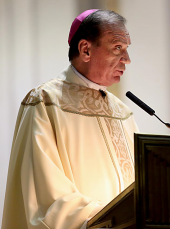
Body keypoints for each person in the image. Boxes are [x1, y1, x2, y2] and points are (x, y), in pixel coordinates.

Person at [1, 9, 138, 229]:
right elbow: (44, 193)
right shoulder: (45, 103)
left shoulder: (122, 113)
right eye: (117, 48)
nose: (127, 60)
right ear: (85, 49)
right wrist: (105, 221)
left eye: (126, 50)